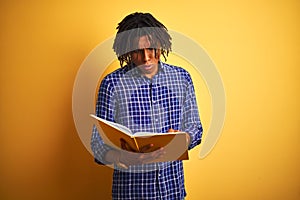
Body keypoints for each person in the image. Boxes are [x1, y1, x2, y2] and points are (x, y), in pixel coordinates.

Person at [91, 12, 203, 200]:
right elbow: (97, 144)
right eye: (137, 51)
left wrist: (183, 139)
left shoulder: (182, 79)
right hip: (131, 192)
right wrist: (120, 157)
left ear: (162, 44)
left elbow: (195, 128)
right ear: (126, 50)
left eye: (152, 48)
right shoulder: (111, 84)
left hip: (172, 191)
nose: (146, 58)